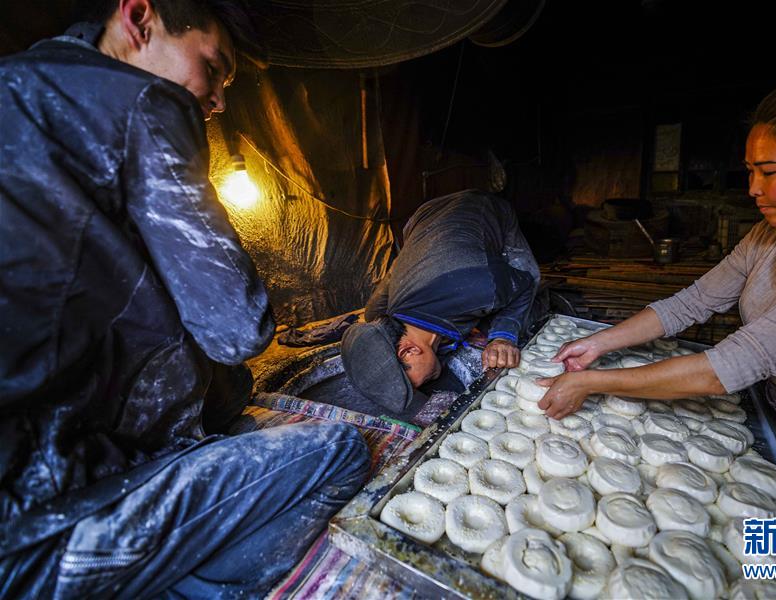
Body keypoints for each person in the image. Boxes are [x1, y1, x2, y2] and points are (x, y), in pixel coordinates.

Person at [0, 1, 369, 597]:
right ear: (139, 18)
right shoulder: (142, 102)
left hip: (33, 454)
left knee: (229, 406)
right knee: (340, 450)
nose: (218, 100)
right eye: (214, 67)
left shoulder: (19, 84)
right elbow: (237, 329)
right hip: (34, 522)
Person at [537, 73, 776, 574]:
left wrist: (592, 382)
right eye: (750, 171)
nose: (753, 189)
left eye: (769, 172)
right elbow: (692, 303)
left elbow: (725, 367)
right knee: (760, 549)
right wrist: (600, 343)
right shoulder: (770, 236)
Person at [341, 190, 540, 414]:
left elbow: (525, 284)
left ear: (408, 351)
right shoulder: (384, 307)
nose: (418, 389)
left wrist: (503, 336)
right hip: (423, 219)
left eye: (410, 385)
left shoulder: (480, 288)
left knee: (528, 283)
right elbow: (373, 311)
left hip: (480, 207)